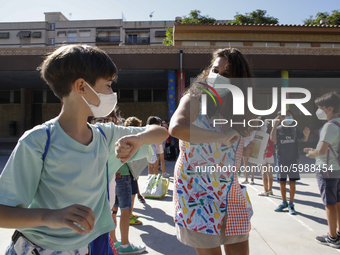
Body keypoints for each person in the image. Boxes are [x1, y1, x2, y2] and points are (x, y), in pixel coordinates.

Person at [0, 44, 168, 254]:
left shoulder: (105, 136)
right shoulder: (38, 141)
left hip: (88, 246)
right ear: (81, 87)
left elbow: (161, 132)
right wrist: (49, 216)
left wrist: (139, 138)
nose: (112, 93)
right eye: (107, 85)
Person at [169, 48, 254, 255]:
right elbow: (176, 127)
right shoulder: (194, 99)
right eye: (215, 70)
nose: (218, 77)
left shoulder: (239, 110)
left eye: (226, 74)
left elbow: (239, 152)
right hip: (198, 196)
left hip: (230, 193)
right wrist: (222, 137)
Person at [304, 91, 340, 249]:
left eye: (321, 108)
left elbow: (321, 151)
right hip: (337, 168)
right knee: (337, 202)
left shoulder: (329, 126)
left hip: (326, 169)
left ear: (330, 108)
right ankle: (337, 233)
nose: (319, 111)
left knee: (329, 204)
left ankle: (332, 237)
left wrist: (311, 152)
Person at [110, 116, 146, 254]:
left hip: (114, 175)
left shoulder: (111, 134)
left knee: (113, 210)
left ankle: (113, 242)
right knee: (126, 211)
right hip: (124, 175)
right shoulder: (124, 136)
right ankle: (125, 246)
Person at [270, 109, 310, 215]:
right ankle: (284, 202)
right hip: (282, 159)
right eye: (287, 116)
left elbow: (304, 139)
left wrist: (306, 134)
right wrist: (274, 126)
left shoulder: (294, 129)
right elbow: (273, 140)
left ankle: (291, 204)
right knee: (282, 183)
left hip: (293, 159)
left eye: (290, 116)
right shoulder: (278, 129)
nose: (289, 118)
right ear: (281, 117)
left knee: (292, 183)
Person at [258, 118, 274, 196]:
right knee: (269, 172)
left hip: (262, 154)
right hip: (270, 153)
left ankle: (266, 190)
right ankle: (270, 190)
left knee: (263, 172)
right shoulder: (270, 131)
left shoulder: (259, 132)